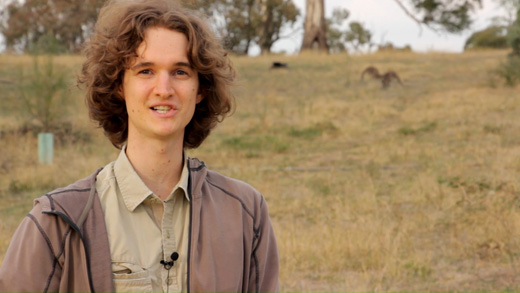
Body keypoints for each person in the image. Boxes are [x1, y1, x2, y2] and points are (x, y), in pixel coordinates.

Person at [0, 0, 279, 292]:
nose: (164, 89)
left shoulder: (245, 212)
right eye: (145, 71)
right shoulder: (56, 222)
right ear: (119, 85)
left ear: (201, 90)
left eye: (180, 72)